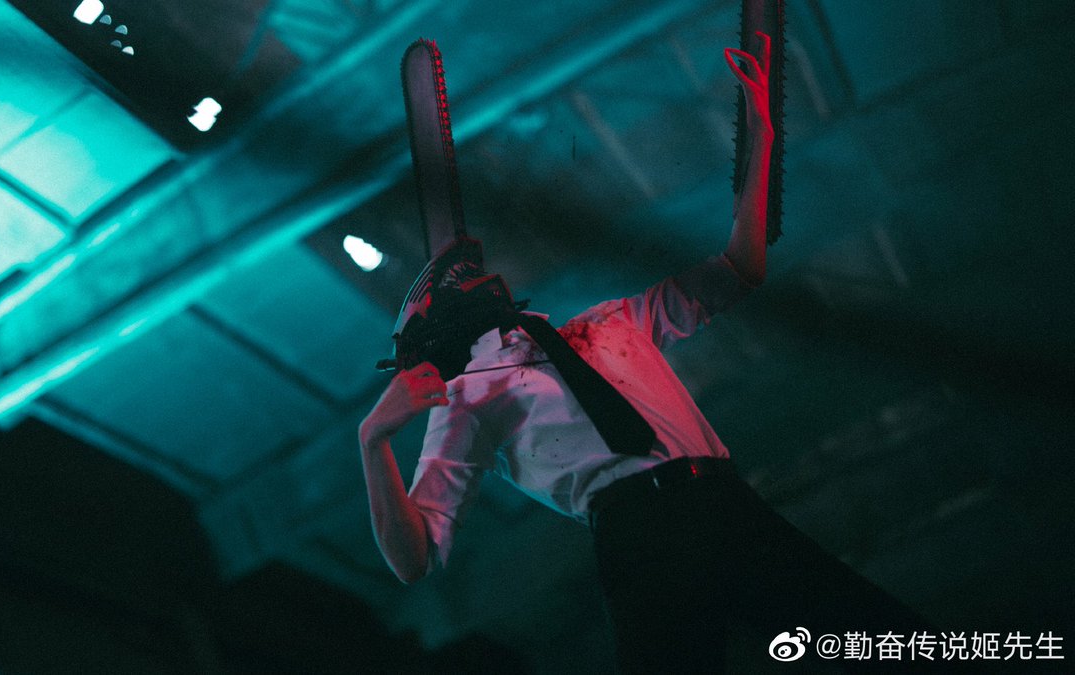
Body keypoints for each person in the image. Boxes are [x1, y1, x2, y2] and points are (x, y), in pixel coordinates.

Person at [359, 34, 936, 672]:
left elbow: (739, 269)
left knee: (892, 639)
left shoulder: (609, 322)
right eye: (450, 281)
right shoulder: (467, 397)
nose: (468, 275)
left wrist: (763, 138)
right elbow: (413, 559)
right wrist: (373, 439)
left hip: (723, 503)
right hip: (636, 533)